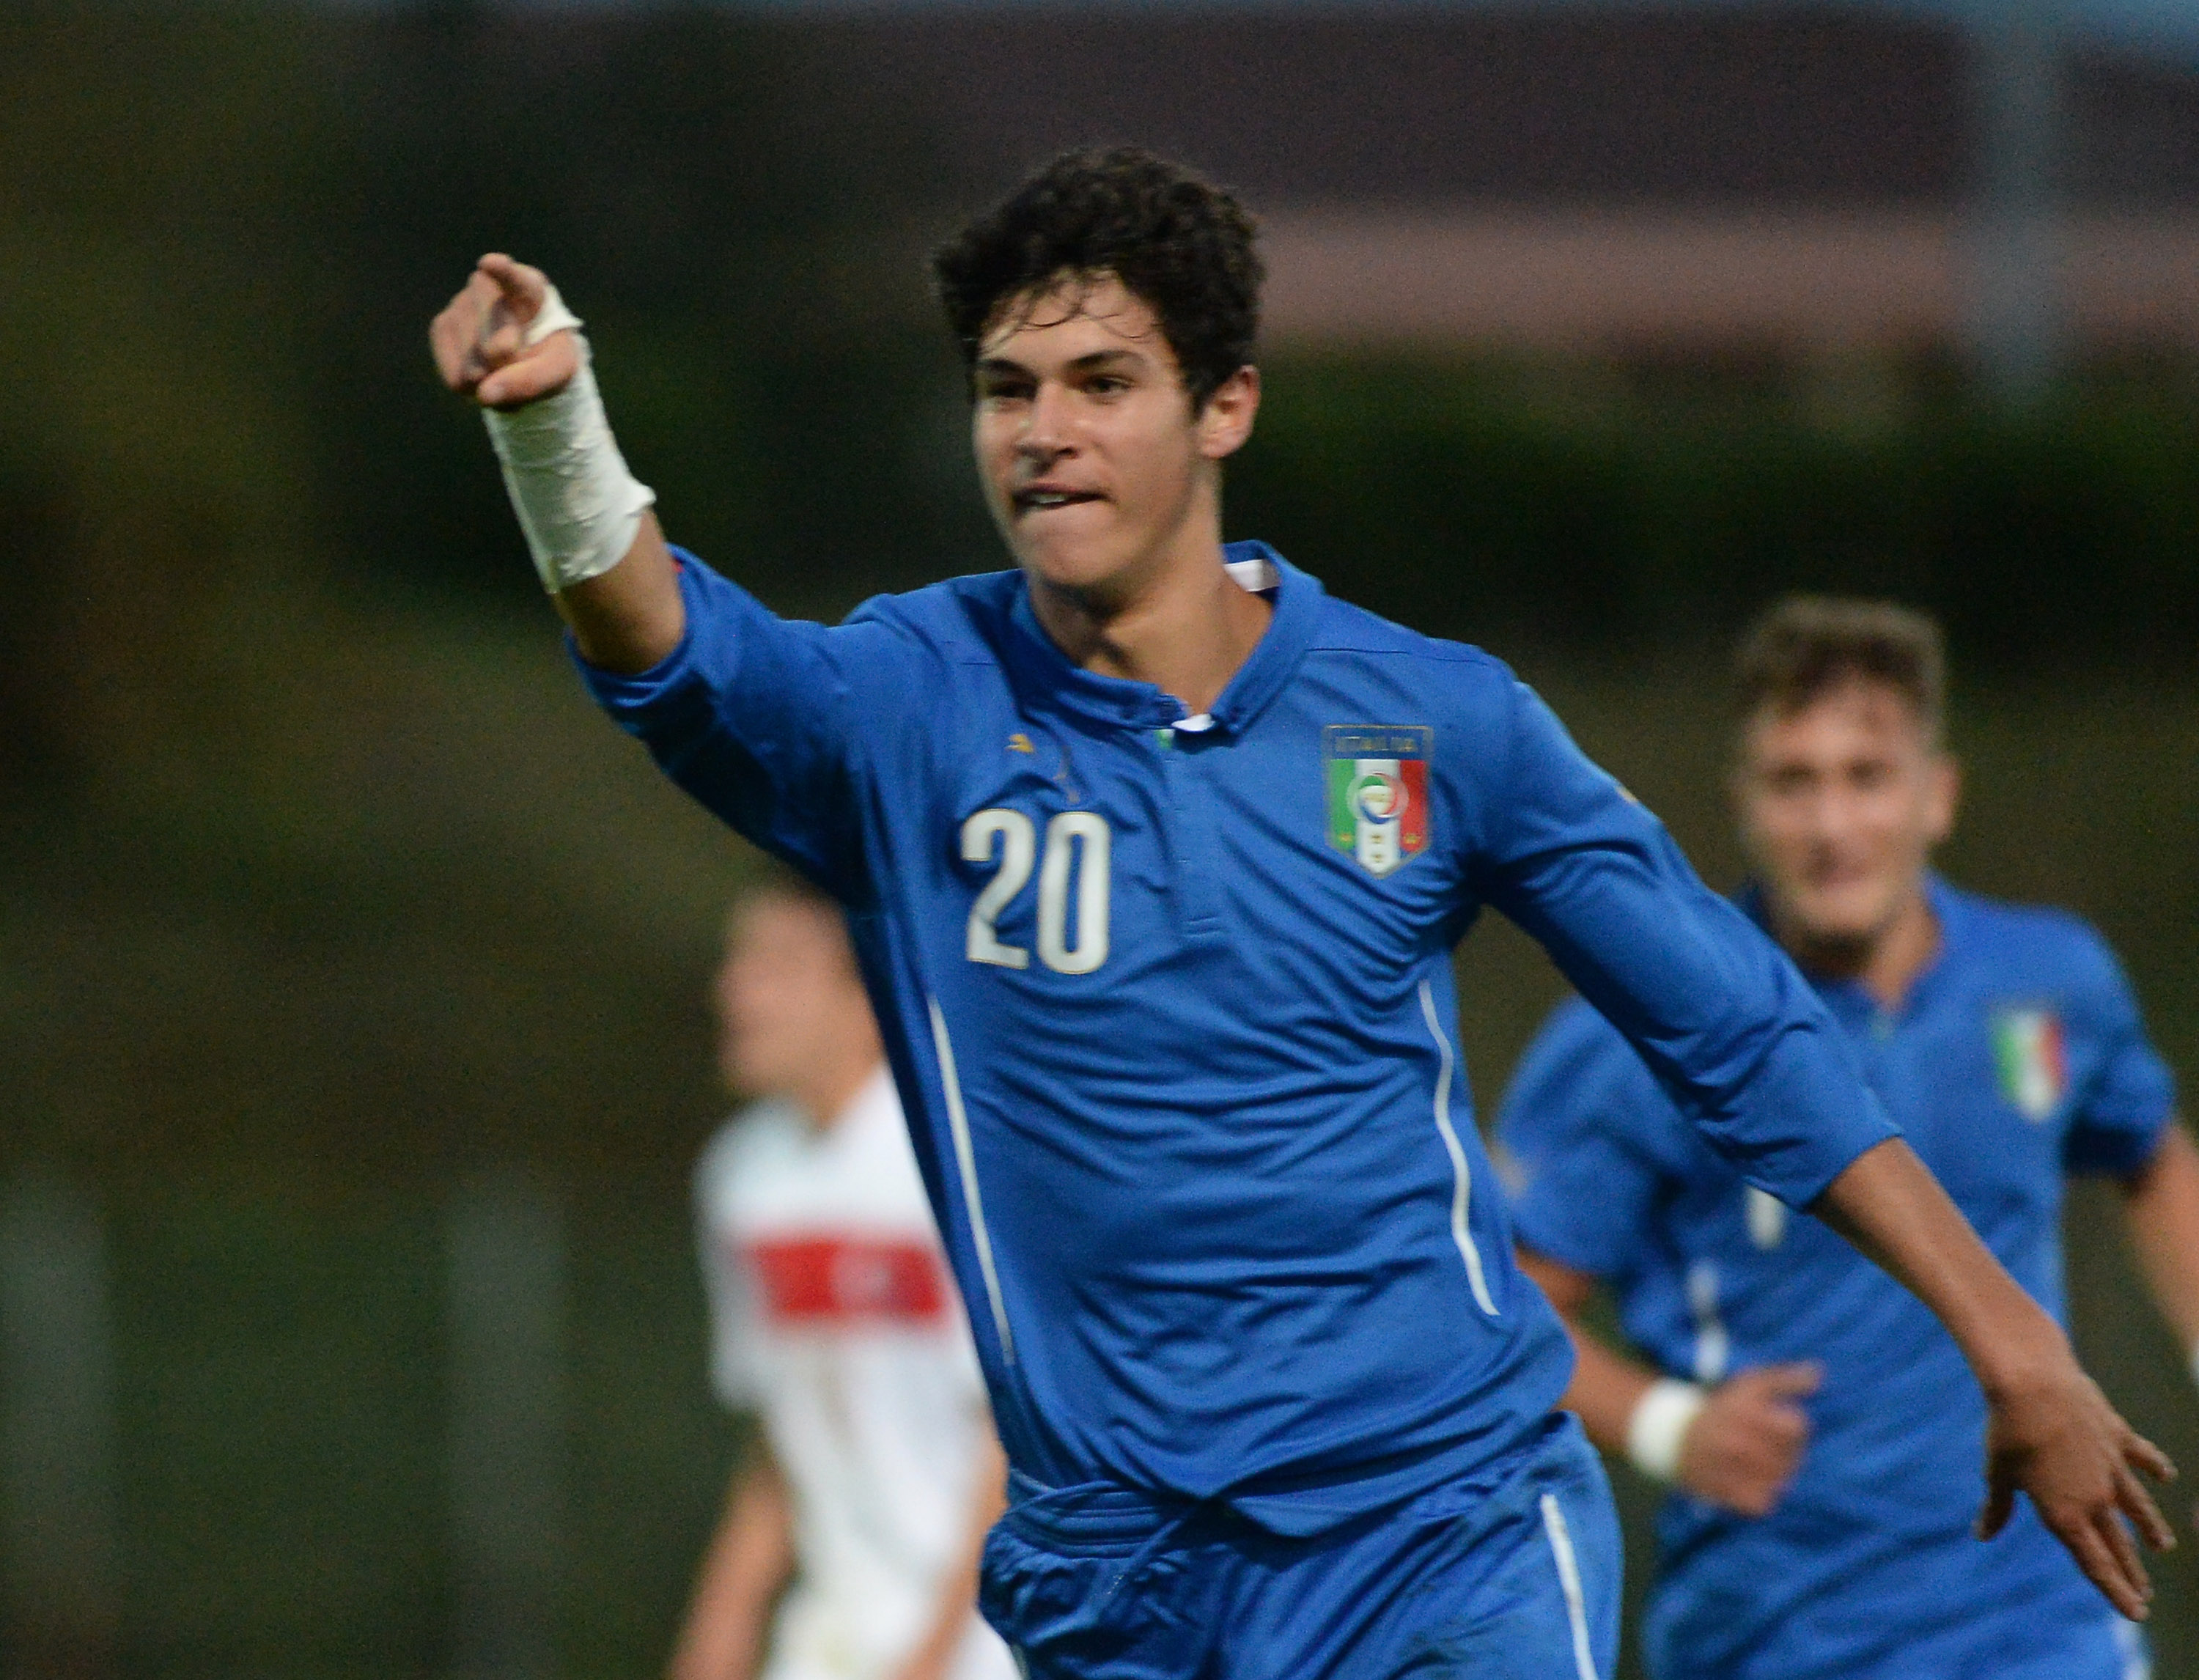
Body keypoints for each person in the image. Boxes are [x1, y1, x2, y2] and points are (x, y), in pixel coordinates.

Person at [428, 149, 2173, 1679]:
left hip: (1441, 1531)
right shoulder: (912, 702)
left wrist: (2012, 1341)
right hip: (1118, 1572)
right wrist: (551, 428)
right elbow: (675, 659)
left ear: (1225, 405)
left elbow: (1736, 1031)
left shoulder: (1436, 724)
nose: (1043, 432)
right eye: (1004, 386)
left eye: (1101, 379)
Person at [1495, 595, 2199, 1679]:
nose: (1832, 828)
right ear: (1742, 804)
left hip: (2044, 1620)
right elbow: (1501, 1307)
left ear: (1939, 796)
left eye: (1866, 777)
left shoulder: (2051, 982)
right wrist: (1664, 1426)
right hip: (1777, 1628)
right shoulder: (1640, 1025)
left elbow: (2151, 1156)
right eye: (1794, 781)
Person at [671, 882, 1015, 1680]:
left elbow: (1012, 1440)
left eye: (777, 963)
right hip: (834, 1636)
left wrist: (932, 1653)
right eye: (737, 958)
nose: (736, 989)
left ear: (872, 994)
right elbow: (782, 1430)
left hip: (988, 1643)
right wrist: (722, 1625)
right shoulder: (743, 1178)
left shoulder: (952, 1167)